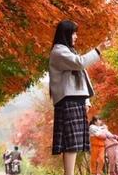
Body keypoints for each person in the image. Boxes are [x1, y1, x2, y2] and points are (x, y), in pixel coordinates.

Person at [49, 20, 111, 175]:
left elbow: (81, 77)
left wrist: (86, 100)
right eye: (74, 33)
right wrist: (99, 49)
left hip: (74, 100)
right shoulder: (59, 52)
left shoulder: (68, 51)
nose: (76, 36)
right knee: (70, 143)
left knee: (73, 143)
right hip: (68, 101)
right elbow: (80, 64)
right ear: (66, 34)